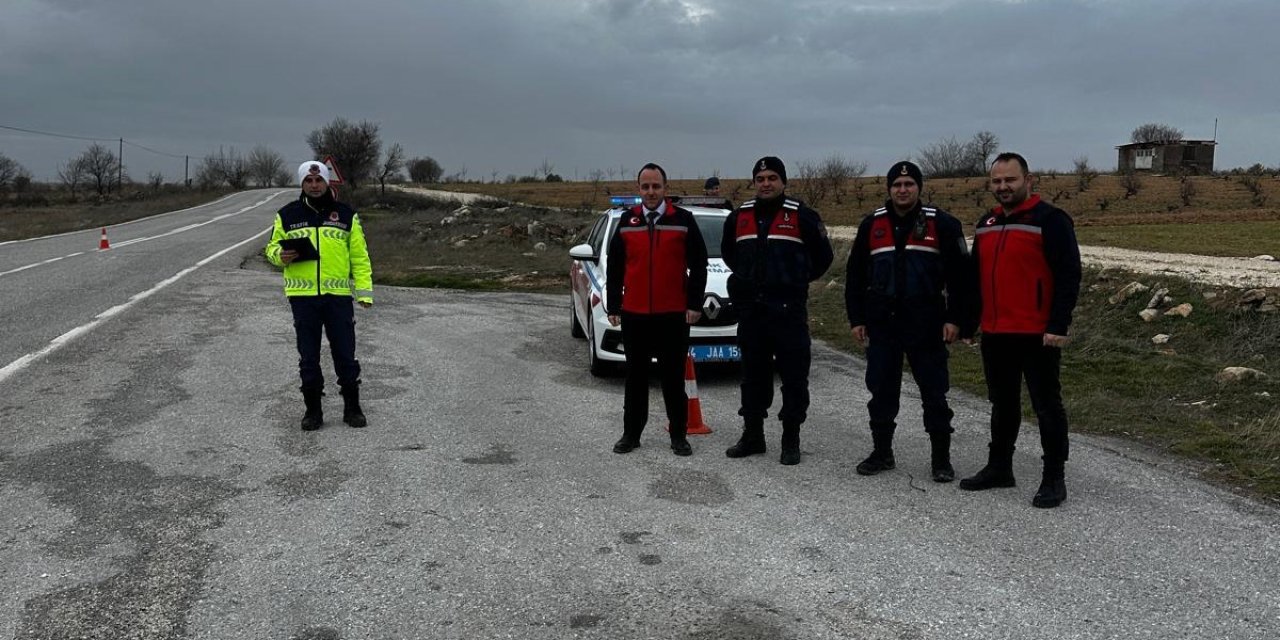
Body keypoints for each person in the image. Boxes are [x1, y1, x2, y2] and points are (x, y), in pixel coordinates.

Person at [959, 152, 1081, 508]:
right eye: (996, 181)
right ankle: (1000, 467)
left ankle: (1054, 477)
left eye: (1009, 180)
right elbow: (975, 279)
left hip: (1037, 332)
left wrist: (1059, 324)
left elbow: (1068, 275)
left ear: (1029, 180)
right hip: (996, 331)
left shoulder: (1051, 220)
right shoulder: (987, 223)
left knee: (1046, 406)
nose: (1003, 187)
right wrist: (970, 322)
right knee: (1002, 404)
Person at [845, 161, 975, 482]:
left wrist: (956, 319)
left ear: (919, 187)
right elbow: (855, 276)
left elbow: (961, 278)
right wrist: (857, 318)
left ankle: (941, 460)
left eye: (909, 184)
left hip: (926, 323)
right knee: (881, 391)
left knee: (934, 393)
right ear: (889, 189)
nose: (903, 190)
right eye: (897, 184)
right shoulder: (871, 225)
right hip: (882, 324)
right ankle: (882, 452)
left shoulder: (942, 224)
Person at [721, 156, 834, 465]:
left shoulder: (802, 216)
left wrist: (793, 281)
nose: (766, 183)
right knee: (752, 377)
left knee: (794, 378)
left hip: (788, 312)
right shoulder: (739, 217)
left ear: (783, 182)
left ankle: (790, 439)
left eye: (772, 177)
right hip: (753, 313)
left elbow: (823, 258)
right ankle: (753, 435)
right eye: (761, 178)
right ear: (754, 182)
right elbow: (731, 255)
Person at [605, 163, 709, 456]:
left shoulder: (684, 220)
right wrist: (614, 304)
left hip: (672, 314)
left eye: (656, 186)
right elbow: (615, 266)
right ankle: (631, 434)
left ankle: (679, 435)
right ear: (639, 189)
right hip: (635, 313)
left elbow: (698, 264)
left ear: (666, 188)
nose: (651, 192)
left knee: (673, 378)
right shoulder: (627, 221)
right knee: (635, 377)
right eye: (645, 187)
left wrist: (694, 303)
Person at [265, 161, 374, 431]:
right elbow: (271, 248)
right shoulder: (286, 215)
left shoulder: (346, 214)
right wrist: (280, 256)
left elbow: (359, 256)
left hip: (337, 297)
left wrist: (364, 292)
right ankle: (313, 411)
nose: (314, 186)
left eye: (318, 181)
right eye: (308, 181)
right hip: (303, 298)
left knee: (345, 354)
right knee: (308, 356)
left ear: (327, 182)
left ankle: (352, 407)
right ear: (302, 184)